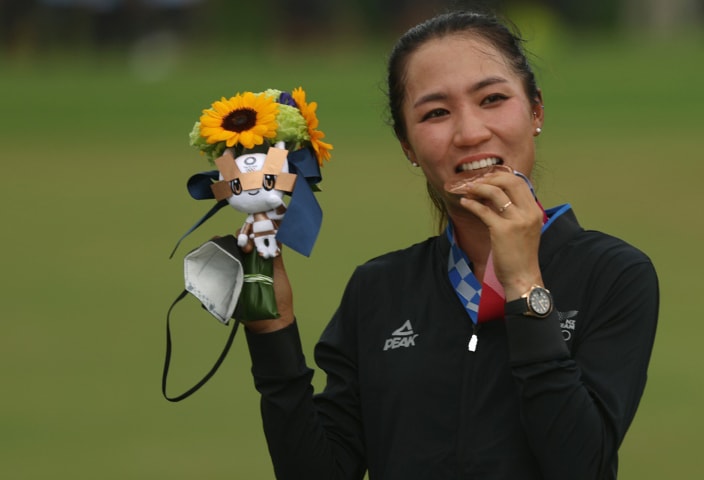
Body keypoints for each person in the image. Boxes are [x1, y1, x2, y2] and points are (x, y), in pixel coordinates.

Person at [242, 10, 659, 480]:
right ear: (406, 144)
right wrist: (272, 331)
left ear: (536, 110)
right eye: (436, 113)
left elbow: (577, 465)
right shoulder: (378, 289)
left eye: (493, 98)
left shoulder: (614, 274)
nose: (470, 133)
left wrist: (525, 285)